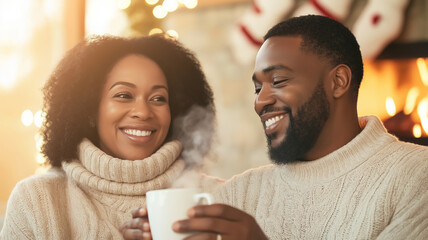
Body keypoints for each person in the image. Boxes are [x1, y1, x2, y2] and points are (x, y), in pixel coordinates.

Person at [122, 15, 428, 240]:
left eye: (278, 81)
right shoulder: (242, 194)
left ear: (338, 82)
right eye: (257, 88)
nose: (261, 102)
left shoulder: (415, 175)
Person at [0, 34, 221, 239]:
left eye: (158, 98)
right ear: (88, 111)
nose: (143, 112)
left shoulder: (216, 198)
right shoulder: (37, 199)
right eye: (124, 95)